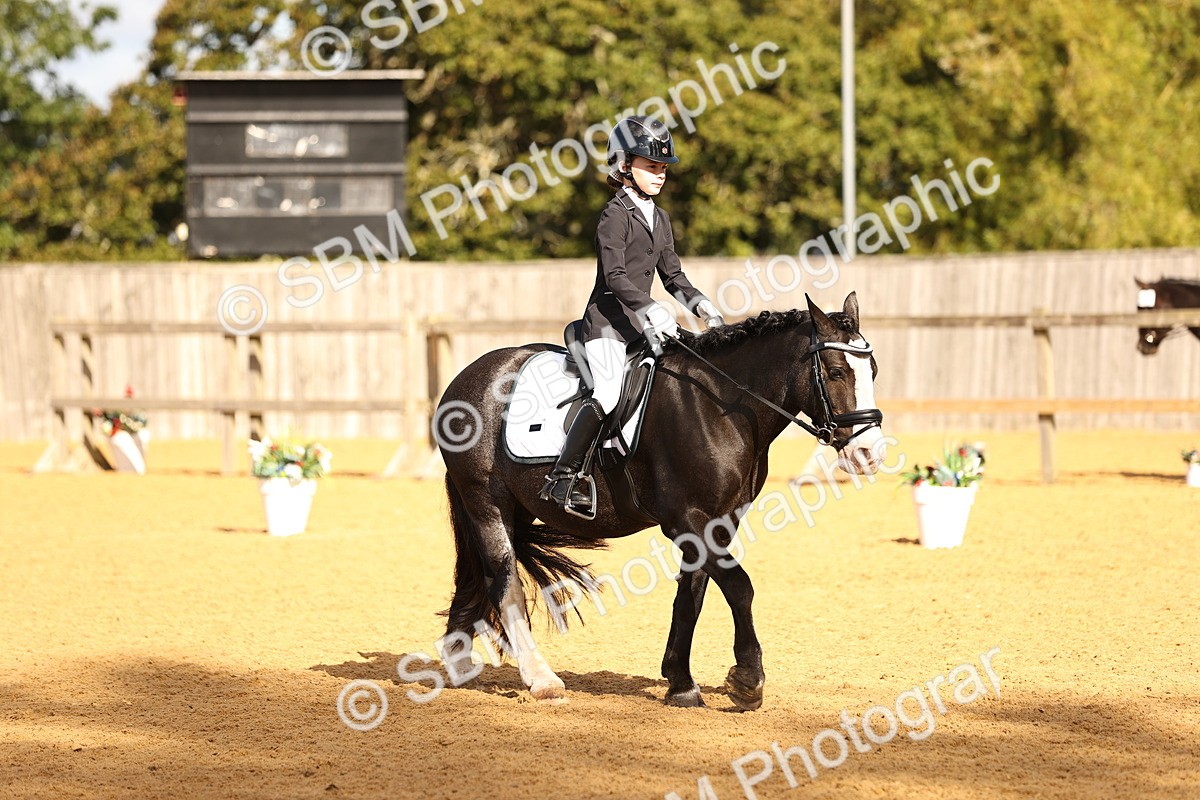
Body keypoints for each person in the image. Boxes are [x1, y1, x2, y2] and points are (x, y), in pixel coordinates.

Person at [540, 115, 725, 514]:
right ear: (624, 164)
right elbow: (615, 277)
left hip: (642, 326)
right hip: (607, 325)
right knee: (607, 394)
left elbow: (672, 276)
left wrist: (702, 306)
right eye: (651, 165)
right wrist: (651, 308)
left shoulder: (661, 217)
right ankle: (563, 478)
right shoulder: (615, 214)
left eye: (663, 167)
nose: (660, 174)